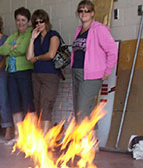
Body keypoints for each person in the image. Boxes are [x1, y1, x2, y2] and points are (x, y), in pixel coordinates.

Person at [71, 0, 118, 129]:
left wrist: (108, 70)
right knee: (84, 109)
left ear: (92, 13)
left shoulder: (99, 29)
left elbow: (112, 50)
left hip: (91, 75)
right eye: (81, 10)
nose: (83, 13)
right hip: (77, 72)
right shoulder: (79, 30)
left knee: (82, 110)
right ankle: (92, 141)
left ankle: (84, 142)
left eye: (87, 11)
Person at [0, 7, 34, 140]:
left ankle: (31, 137)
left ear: (28, 21)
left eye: (23, 20)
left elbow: (22, 50)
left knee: (27, 103)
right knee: (14, 104)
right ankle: (19, 136)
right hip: (11, 73)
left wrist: (10, 49)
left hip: (24, 72)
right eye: (18, 20)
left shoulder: (29, 33)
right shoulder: (13, 36)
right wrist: (9, 48)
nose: (20, 23)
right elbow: (1, 50)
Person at [26, 9, 61, 133]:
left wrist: (37, 58)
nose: (39, 24)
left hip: (50, 75)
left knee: (46, 105)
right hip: (36, 75)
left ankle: (45, 139)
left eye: (41, 21)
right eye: (36, 23)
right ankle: (43, 135)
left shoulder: (53, 35)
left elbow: (51, 54)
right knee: (38, 105)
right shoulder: (35, 38)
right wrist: (32, 39)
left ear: (46, 22)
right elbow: (29, 57)